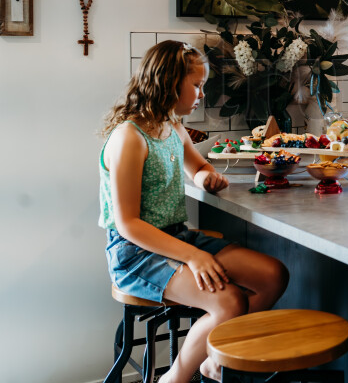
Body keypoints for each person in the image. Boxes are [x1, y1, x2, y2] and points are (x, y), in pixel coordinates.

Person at [99, 40, 288, 383]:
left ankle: (214, 361)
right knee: (229, 301)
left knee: (272, 275)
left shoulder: (172, 126)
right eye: (197, 85)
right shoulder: (130, 136)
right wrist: (194, 257)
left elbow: (196, 165)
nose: (201, 94)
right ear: (169, 82)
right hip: (135, 254)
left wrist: (206, 178)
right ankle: (175, 377)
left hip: (175, 237)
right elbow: (128, 224)